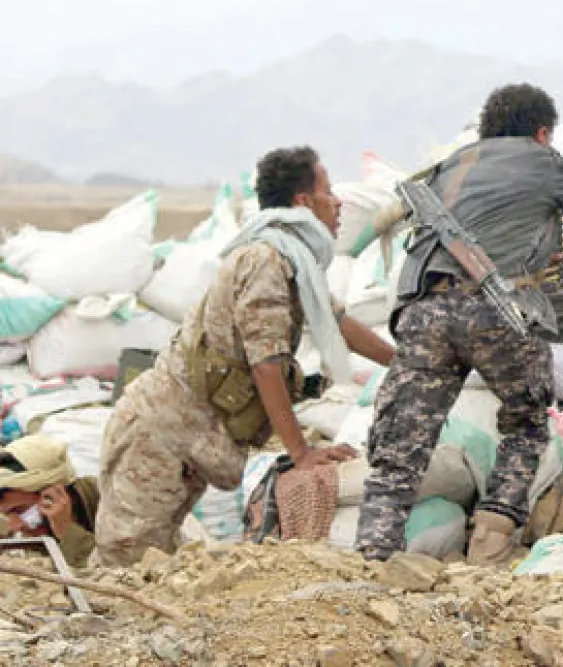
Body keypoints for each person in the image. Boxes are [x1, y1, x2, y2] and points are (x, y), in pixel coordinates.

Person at [355, 83, 563, 564]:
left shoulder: (452, 164)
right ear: (542, 132)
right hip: (499, 311)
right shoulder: (544, 161)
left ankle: (374, 551)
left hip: (425, 310)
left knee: (402, 439)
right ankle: (490, 543)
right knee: (525, 424)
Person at [92, 147, 395, 566]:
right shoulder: (265, 261)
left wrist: (403, 365)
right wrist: (301, 453)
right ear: (303, 202)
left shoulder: (293, 261)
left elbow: (338, 321)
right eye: (329, 191)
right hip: (158, 436)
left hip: (188, 441)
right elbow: (266, 364)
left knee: (152, 560)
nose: (339, 201)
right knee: (125, 564)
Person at [0, 435, 101, 567]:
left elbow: (114, 572)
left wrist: (66, 530)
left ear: (54, 494)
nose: (16, 526)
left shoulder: (111, 501)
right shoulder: (30, 531)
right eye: (7, 514)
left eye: (20, 510)